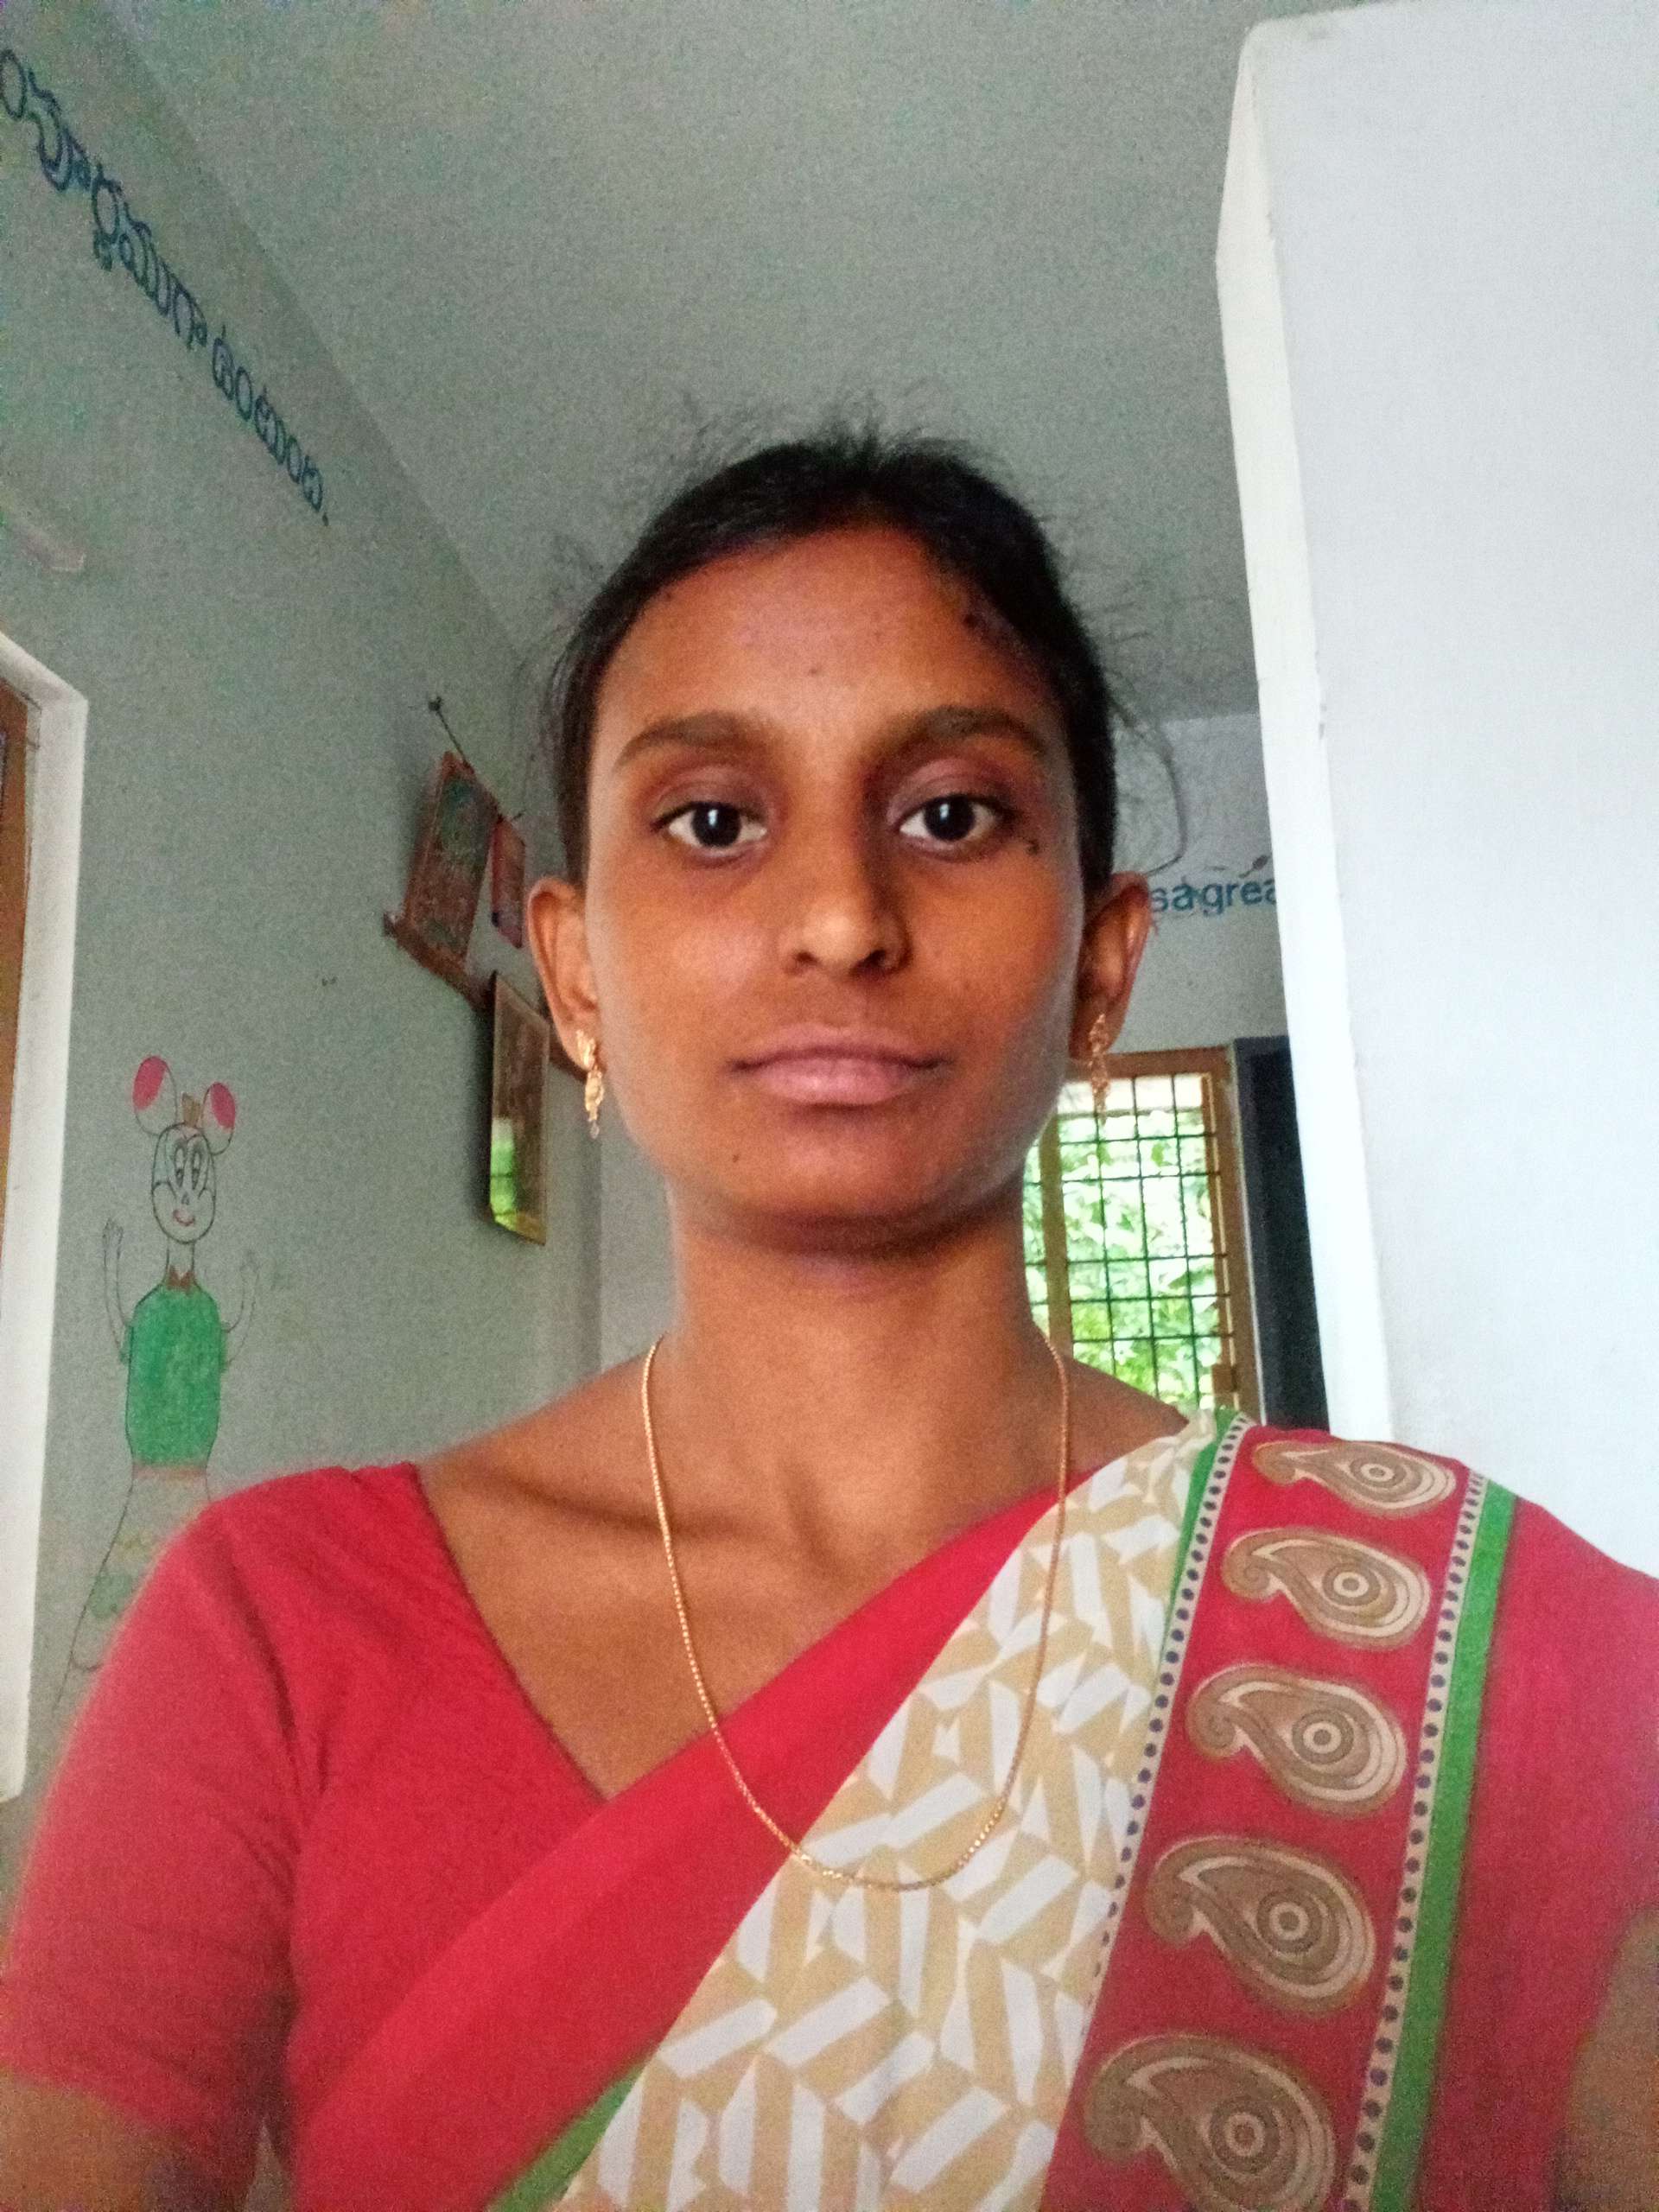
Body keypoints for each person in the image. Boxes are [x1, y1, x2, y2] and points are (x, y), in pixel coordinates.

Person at [1, 430, 1653, 2212]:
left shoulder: (1477, 1659)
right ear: (576, 975)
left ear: (1100, 966)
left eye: (952, 813)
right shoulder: (278, 1632)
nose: (845, 918)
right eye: (713, 822)